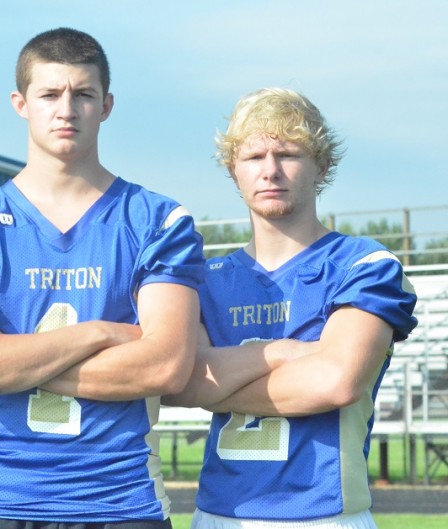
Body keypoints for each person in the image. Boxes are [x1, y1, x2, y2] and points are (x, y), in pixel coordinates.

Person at [0, 27, 204, 528]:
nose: (66, 109)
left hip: (120, 501)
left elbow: (164, 368)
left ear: (107, 105)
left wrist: (9, 361)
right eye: (50, 94)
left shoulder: (158, 220)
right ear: (20, 103)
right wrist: (98, 334)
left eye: (83, 94)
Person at [162, 88, 418, 528]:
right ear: (233, 170)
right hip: (220, 514)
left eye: (288, 153)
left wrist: (214, 384)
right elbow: (179, 384)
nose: (270, 170)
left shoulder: (364, 264)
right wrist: (285, 352)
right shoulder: (208, 277)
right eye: (254, 157)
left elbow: (335, 382)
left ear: (322, 165)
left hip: (325, 514)